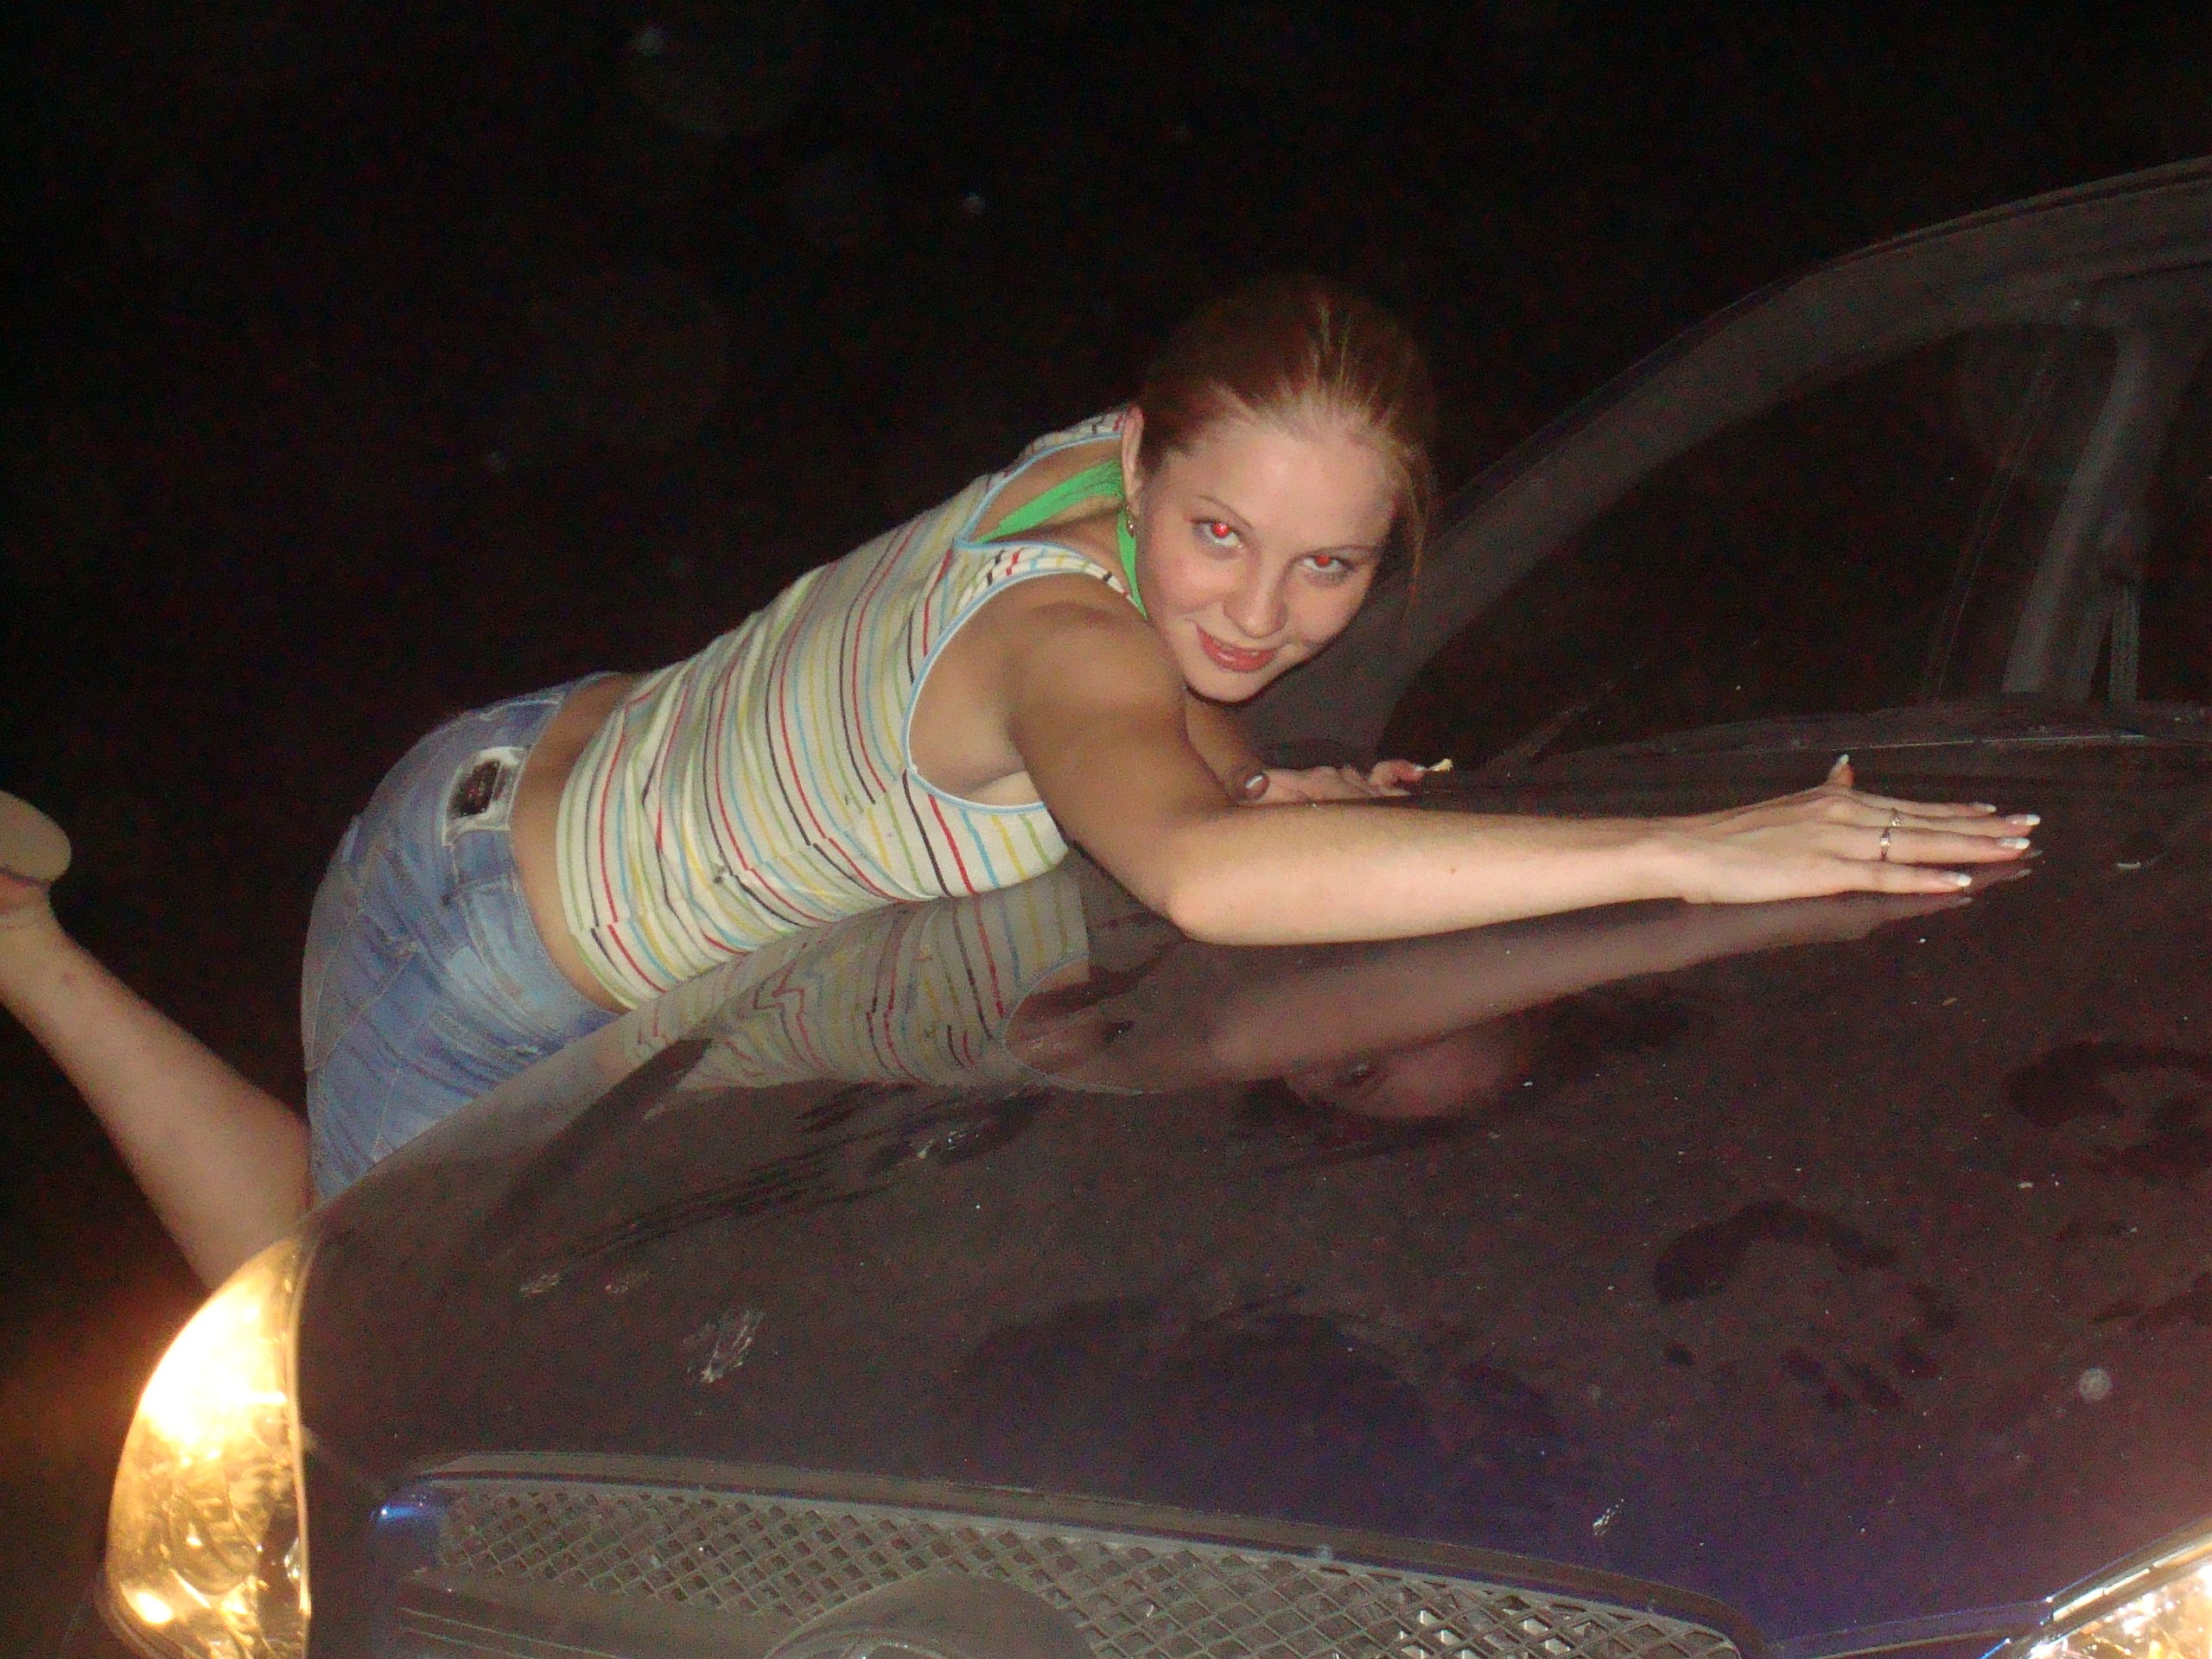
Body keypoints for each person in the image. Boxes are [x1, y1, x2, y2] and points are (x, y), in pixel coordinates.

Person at [0, 275, 2036, 1286]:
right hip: (484, 921)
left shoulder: (1105, 497)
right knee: (320, 1321)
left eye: (1329, 567)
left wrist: (1248, 782)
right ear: (1141, 458)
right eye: (1218, 534)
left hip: (566, 769)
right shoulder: (1064, 633)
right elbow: (1200, 871)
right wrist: (1693, 851)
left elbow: (1195, 753)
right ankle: (22, 952)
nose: (1258, 609)